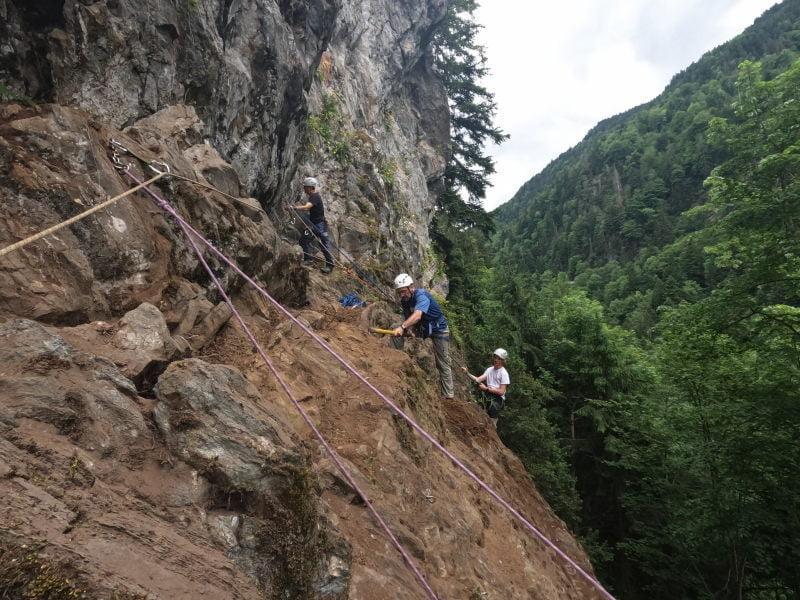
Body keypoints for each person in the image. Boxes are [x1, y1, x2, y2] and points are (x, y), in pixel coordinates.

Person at [392, 273, 454, 400]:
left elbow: (417, 315)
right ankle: (397, 359)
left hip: (439, 329)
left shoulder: (421, 295)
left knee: (442, 362)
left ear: (411, 287)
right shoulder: (405, 301)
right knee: (396, 332)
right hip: (424, 329)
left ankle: (448, 395)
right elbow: (409, 318)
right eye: (399, 292)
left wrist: (403, 327)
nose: (402, 295)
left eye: (403, 291)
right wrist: (408, 329)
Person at [294, 176, 334, 274]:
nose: (304, 189)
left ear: (311, 187)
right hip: (315, 225)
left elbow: (308, 207)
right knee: (305, 240)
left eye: (305, 187)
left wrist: (296, 208)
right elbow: (309, 209)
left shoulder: (314, 196)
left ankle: (328, 265)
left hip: (319, 226)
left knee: (322, 244)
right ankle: (310, 260)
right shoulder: (313, 196)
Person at [462, 348, 510, 427]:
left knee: (492, 408)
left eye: (499, 359)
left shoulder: (503, 373)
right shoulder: (490, 369)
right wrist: (467, 373)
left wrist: (486, 389)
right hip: (488, 393)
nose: (496, 360)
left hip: (498, 398)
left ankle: (493, 425)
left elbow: (501, 391)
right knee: (478, 405)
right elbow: (478, 379)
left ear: (503, 361)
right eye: (495, 358)